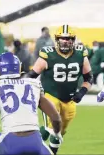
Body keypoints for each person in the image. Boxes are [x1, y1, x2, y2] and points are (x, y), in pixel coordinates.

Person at [0, 52, 62, 155]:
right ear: (19, 67)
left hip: (12, 142)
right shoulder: (33, 84)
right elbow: (56, 117)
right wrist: (57, 135)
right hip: (35, 142)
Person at [27, 25, 93, 155]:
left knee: (60, 131)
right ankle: (28, 148)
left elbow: (89, 77)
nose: (65, 41)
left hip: (70, 99)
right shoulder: (47, 54)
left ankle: (51, 152)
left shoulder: (80, 53)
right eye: (62, 38)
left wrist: (82, 92)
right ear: (57, 39)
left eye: (69, 39)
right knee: (52, 126)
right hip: (50, 95)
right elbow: (32, 75)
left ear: (73, 40)